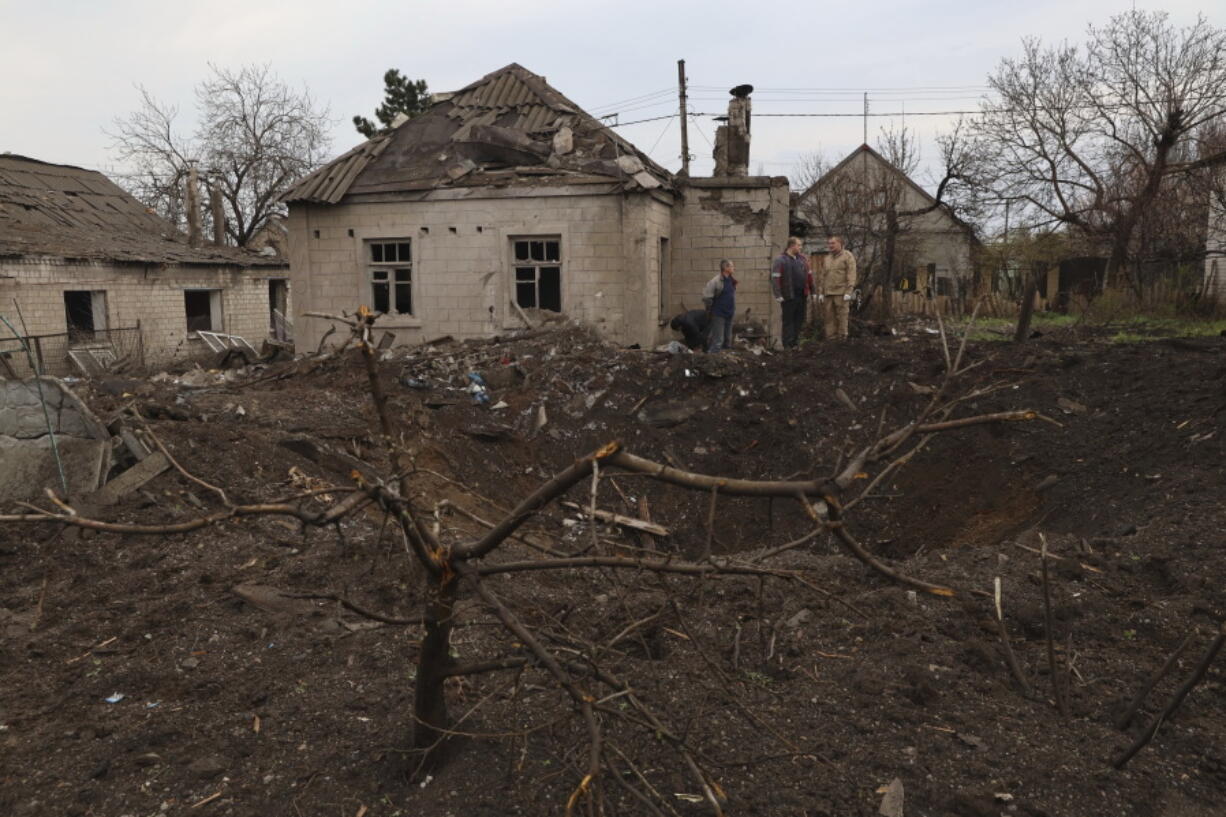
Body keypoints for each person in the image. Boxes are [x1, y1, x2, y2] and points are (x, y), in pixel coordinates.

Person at [770, 236, 813, 348]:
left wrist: (813, 291)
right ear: (792, 246)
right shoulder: (780, 260)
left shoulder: (802, 259)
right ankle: (787, 346)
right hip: (788, 295)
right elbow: (775, 278)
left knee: (799, 320)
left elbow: (809, 276)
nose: (800, 247)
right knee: (788, 321)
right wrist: (778, 294)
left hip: (801, 295)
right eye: (799, 245)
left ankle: (795, 343)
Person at [817, 235, 857, 340]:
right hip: (828, 293)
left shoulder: (847, 256)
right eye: (829, 243)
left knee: (842, 316)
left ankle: (842, 338)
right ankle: (831, 338)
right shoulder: (827, 258)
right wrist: (821, 292)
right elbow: (822, 276)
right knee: (829, 317)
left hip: (841, 292)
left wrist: (849, 291)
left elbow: (851, 274)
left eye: (833, 243)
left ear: (840, 243)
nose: (830, 246)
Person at [701, 259, 737, 353]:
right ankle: (710, 358)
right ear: (725, 268)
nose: (734, 268)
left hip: (729, 313)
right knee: (718, 341)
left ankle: (725, 359)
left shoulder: (731, 280)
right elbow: (706, 297)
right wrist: (710, 309)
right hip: (719, 314)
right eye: (732, 266)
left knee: (727, 340)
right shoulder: (715, 281)